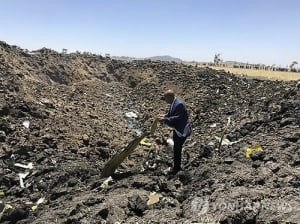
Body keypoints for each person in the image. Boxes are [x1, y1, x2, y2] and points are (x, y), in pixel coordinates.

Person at [158, 89, 192, 174]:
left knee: (177, 148)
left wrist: (165, 119)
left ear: (169, 97)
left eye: (165, 98)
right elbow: (171, 113)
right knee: (177, 148)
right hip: (177, 129)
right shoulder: (174, 103)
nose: (164, 100)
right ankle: (177, 167)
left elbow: (178, 117)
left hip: (181, 130)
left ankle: (176, 168)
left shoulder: (179, 104)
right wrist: (164, 116)